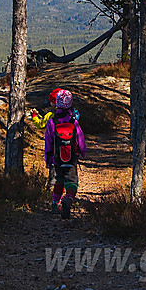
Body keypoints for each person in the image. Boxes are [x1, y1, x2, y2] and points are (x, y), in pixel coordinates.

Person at [45, 89, 86, 219]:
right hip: (72, 158)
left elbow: (48, 142)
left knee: (59, 180)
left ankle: (55, 204)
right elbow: (80, 139)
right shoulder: (74, 122)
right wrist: (83, 152)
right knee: (72, 182)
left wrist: (48, 159)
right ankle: (68, 199)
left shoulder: (52, 122)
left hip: (57, 159)